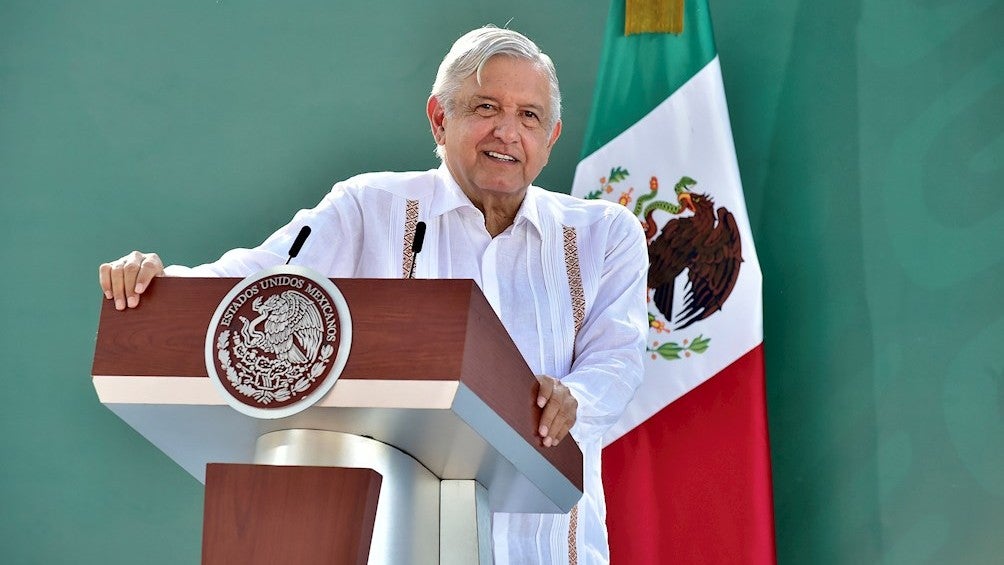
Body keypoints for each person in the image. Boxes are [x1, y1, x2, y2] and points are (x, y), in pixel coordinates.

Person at [99, 26, 648, 564]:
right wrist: (163, 285)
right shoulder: (369, 206)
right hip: (389, 539)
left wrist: (573, 400)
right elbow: (262, 280)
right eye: (485, 108)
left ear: (550, 138)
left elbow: (617, 359)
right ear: (439, 118)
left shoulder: (604, 234)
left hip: (547, 544)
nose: (508, 132)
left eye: (528, 116)